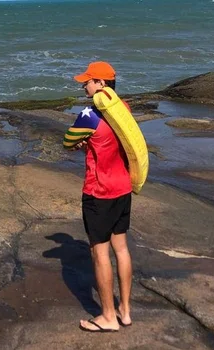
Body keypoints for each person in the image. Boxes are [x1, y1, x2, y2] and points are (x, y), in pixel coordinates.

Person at [63, 61, 133, 332]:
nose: (84, 85)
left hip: (99, 191)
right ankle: (125, 311)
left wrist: (82, 142)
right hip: (123, 188)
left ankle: (107, 317)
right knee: (122, 248)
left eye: (88, 81)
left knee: (99, 252)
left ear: (102, 84)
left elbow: (68, 141)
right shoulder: (123, 109)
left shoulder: (89, 115)